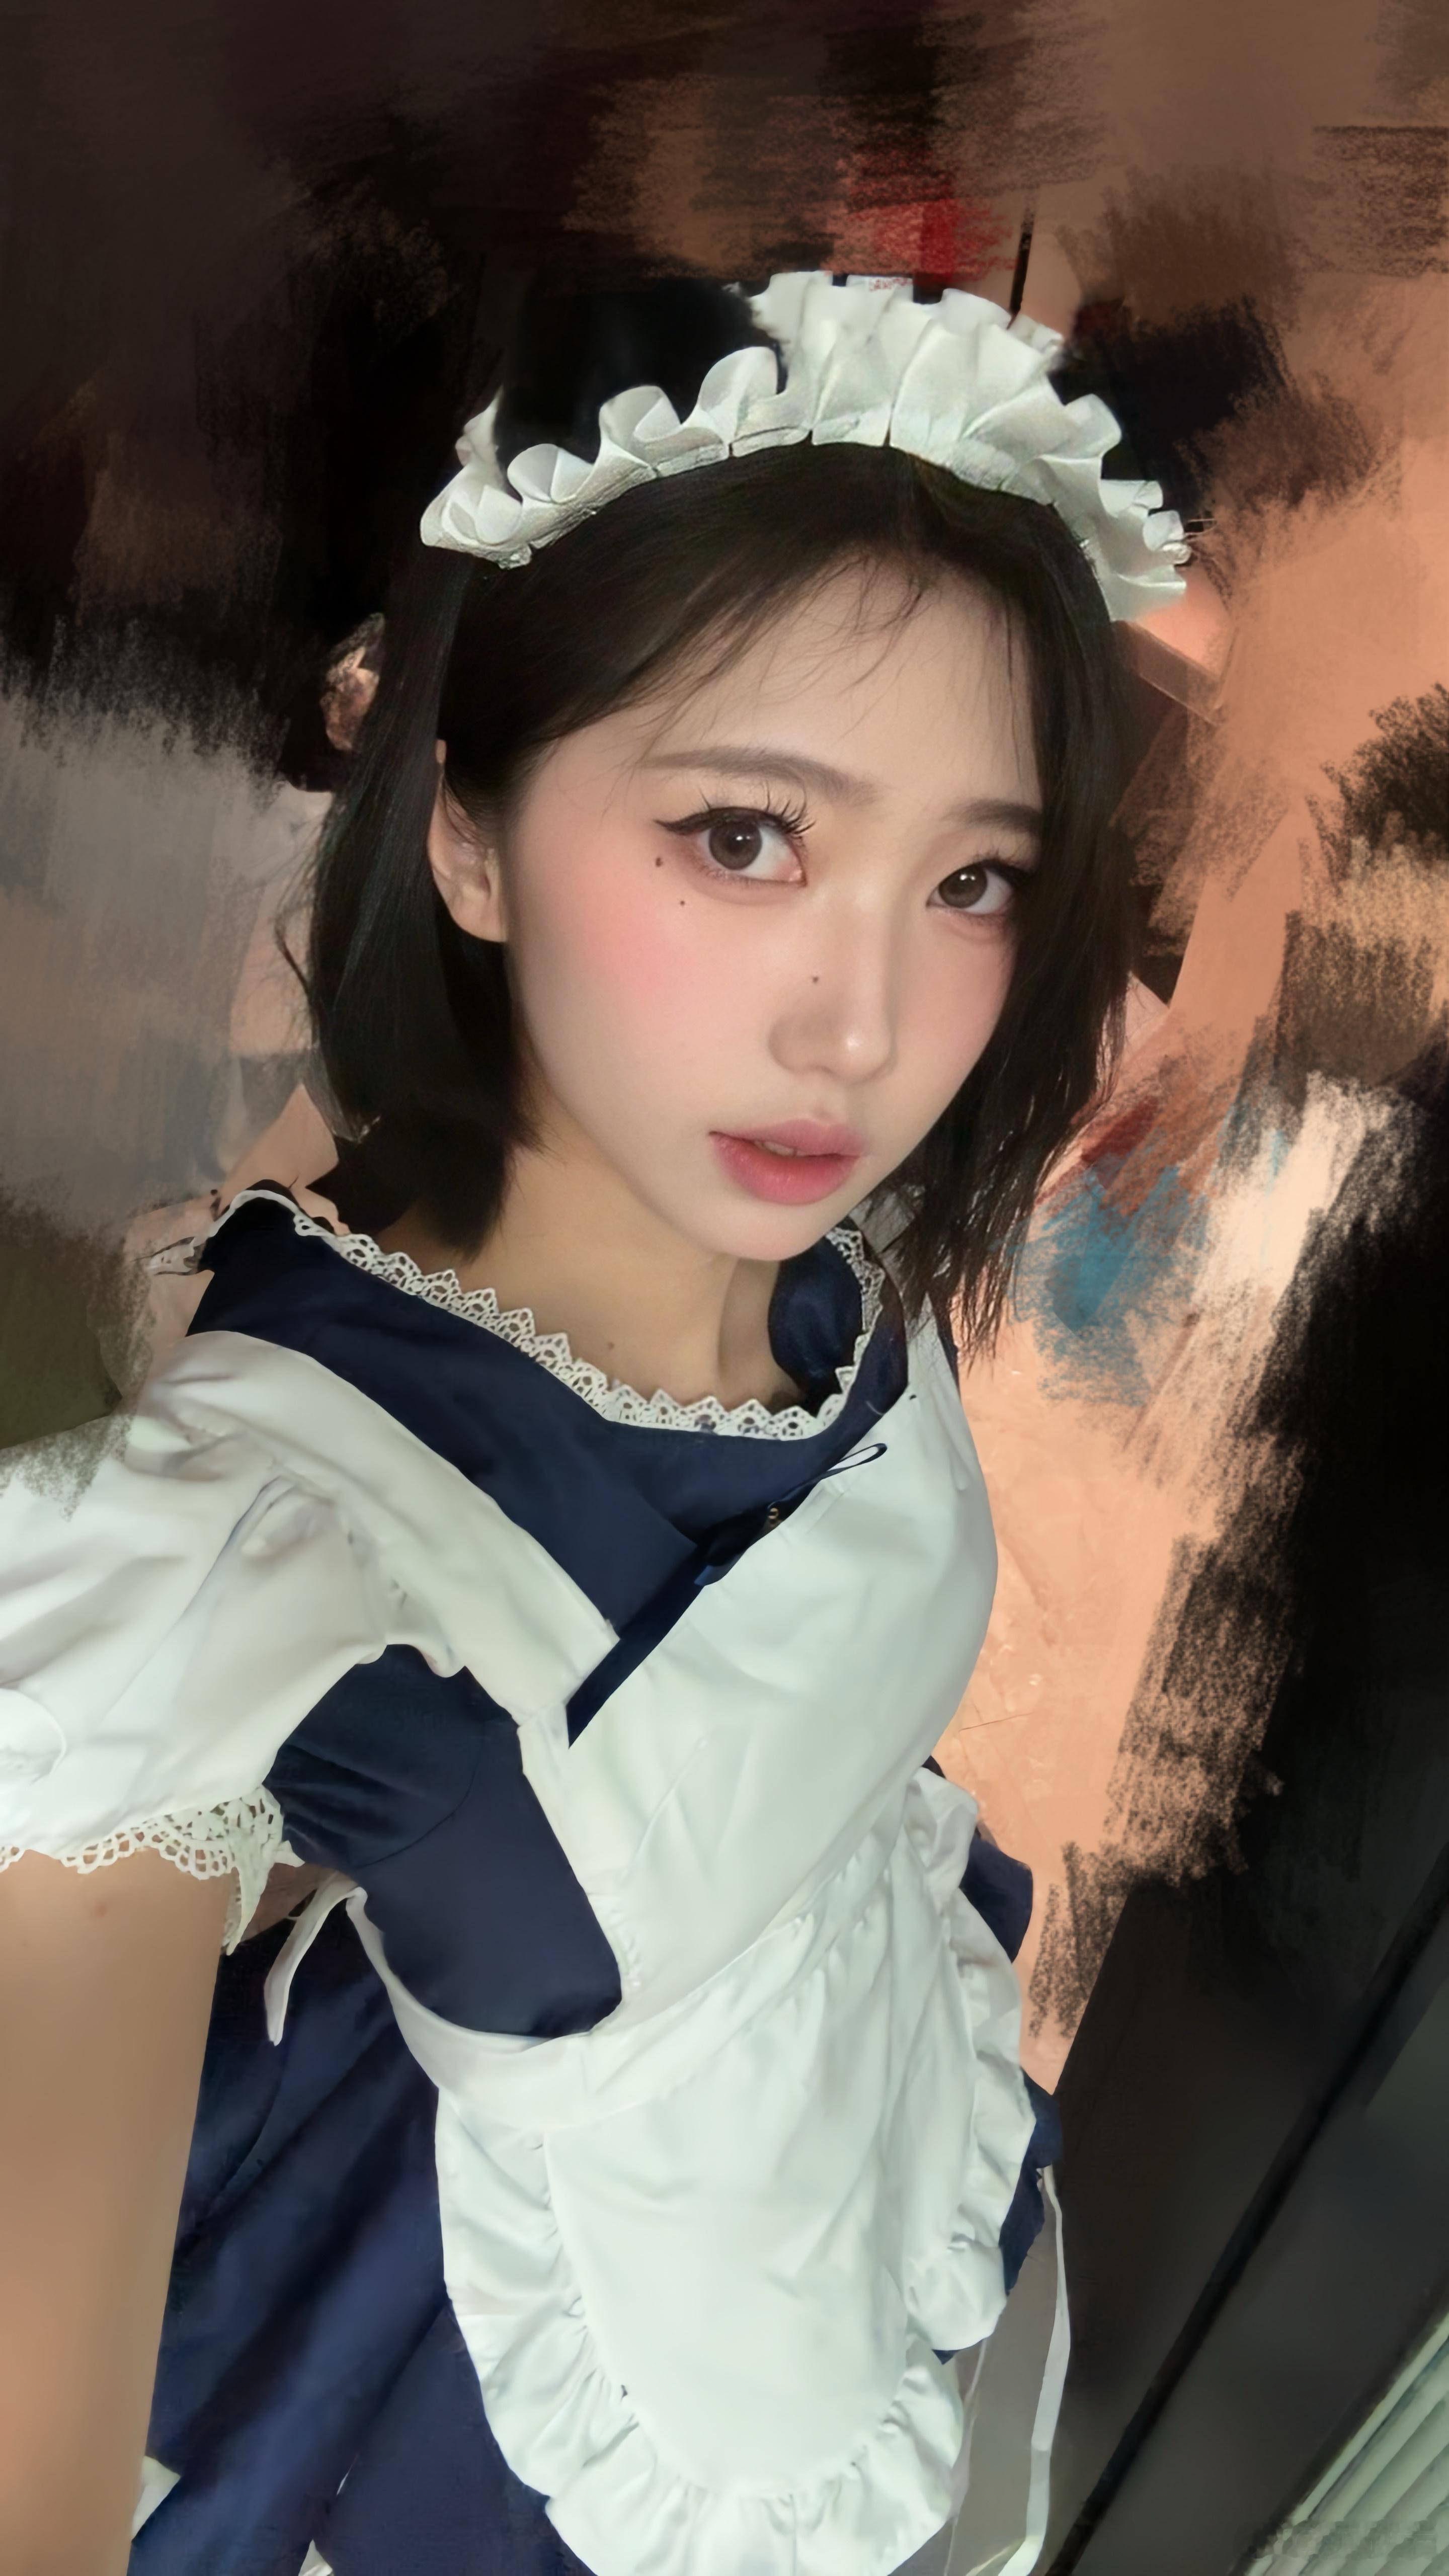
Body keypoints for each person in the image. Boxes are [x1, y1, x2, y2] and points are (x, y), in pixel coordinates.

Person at [0, 269, 1186, 2576]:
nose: (862, 1022)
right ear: (468, 834)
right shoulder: (229, 1541)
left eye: (971, 876)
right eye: (745, 837)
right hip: (465, 2426)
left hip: (862, 2166)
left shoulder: (827, 1244)